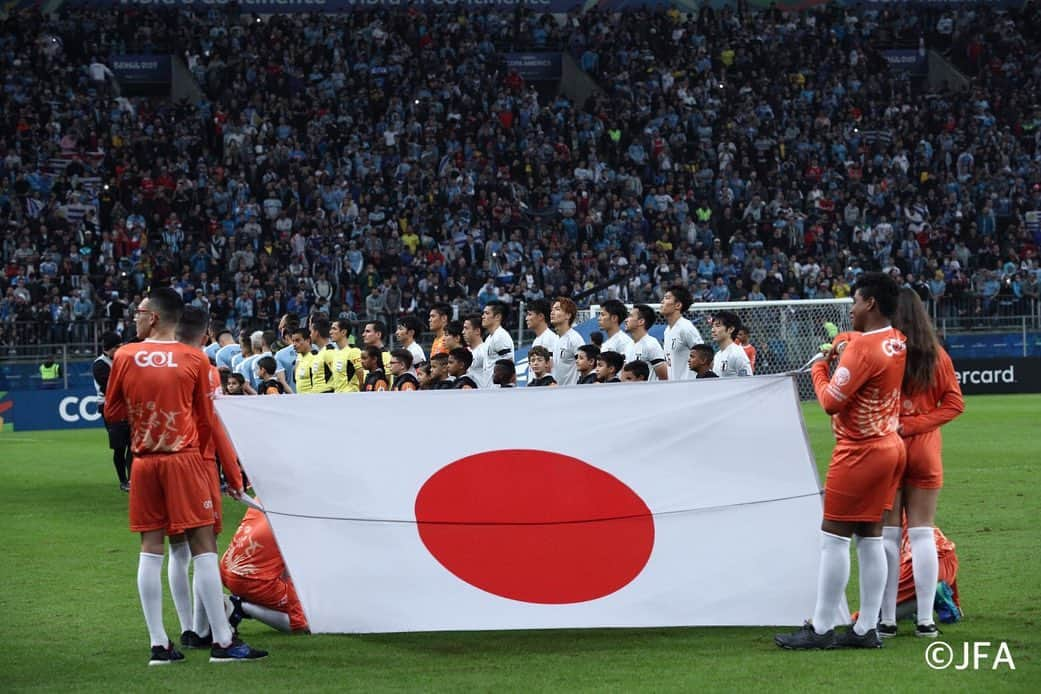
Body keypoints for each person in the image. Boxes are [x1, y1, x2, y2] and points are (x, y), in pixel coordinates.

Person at [103, 288, 266, 664]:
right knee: (203, 546)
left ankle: (159, 644)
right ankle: (223, 642)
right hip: (185, 459)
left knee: (151, 549)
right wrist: (227, 471)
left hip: (144, 462)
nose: (135, 318)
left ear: (156, 317)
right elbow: (207, 419)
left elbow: (113, 412)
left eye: (139, 312)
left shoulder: (125, 355)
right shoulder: (194, 359)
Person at [776, 272, 907, 650]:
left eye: (854, 301)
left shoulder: (862, 351)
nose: (850, 309)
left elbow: (832, 401)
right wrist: (844, 341)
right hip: (889, 446)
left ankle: (820, 629)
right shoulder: (896, 341)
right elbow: (864, 345)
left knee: (833, 538)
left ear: (870, 303)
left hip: (859, 450)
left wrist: (820, 368)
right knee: (870, 538)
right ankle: (867, 628)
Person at [878, 288, 965, 638]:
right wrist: (917, 424)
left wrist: (901, 424)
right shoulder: (935, 355)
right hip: (925, 450)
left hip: (887, 448)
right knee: (922, 533)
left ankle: (885, 619)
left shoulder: (883, 351)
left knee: (886, 536)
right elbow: (954, 403)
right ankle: (926, 620)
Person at [220, 506, 309, 634]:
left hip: (227, 567)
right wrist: (299, 622)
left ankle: (241, 600)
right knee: (313, 617)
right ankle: (240, 606)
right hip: (251, 580)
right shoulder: (297, 518)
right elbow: (294, 573)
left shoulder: (262, 498)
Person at [94, 331, 132, 491]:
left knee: (133, 445)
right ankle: (123, 480)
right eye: (119, 346)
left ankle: (132, 479)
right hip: (110, 408)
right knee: (119, 447)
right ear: (112, 348)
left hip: (128, 407)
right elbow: (111, 387)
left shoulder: (122, 359)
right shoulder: (100, 365)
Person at [661, 286, 704, 381]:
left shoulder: (686, 328)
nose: (662, 302)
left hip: (688, 387)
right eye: (663, 298)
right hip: (674, 387)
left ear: (678, 305)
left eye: (667, 298)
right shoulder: (667, 330)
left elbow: (704, 356)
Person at [624, 304, 668, 380]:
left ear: (641, 321)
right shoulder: (628, 345)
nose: (626, 320)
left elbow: (664, 377)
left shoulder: (651, 344)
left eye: (630, 316)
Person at [550, 297, 584, 386]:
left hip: (572, 393)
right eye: (552, 309)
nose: (552, 312)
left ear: (568, 315)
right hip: (557, 393)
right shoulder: (555, 339)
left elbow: (585, 366)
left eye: (557, 309)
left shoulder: (575, 339)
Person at [710, 311, 752, 377]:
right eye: (712, 326)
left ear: (731, 329)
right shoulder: (717, 355)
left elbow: (747, 382)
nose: (712, 330)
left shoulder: (737, 354)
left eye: (717, 326)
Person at [482, 301, 515, 386]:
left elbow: (509, 365)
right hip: (489, 389)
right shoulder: (489, 338)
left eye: (486, 313)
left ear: (497, 317)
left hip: (499, 391)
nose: (483, 316)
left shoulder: (501, 336)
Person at [329, 318, 364, 393]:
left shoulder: (353, 351)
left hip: (350, 396)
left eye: (334, 329)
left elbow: (361, 373)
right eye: (331, 329)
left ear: (343, 332)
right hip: (337, 397)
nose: (330, 332)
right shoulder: (334, 353)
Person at [462, 313, 488, 388]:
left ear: (477, 331)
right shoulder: (464, 352)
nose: (463, 332)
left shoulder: (485, 351)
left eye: (466, 328)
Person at [290, 327, 315, 394]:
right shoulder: (299, 358)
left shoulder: (315, 358)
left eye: (297, 340)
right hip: (301, 401)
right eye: (293, 341)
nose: (294, 344)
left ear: (308, 340)